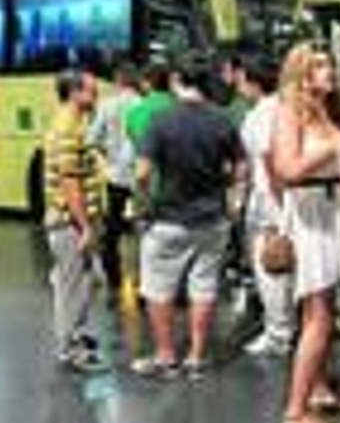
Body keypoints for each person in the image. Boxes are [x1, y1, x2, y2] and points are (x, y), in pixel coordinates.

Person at [272, 42, 340, 423]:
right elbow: (286, 169)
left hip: (333, 210)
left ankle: (319, 388)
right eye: (320, 65)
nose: (330, 71)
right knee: (318, 316)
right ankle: (294, 413)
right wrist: (335, 146)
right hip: (311, 216)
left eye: (330, 63)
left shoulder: (327, 111)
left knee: (325, 311)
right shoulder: (288, 111)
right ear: (302, 74)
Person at [132, 54, 246, 379]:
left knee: (158, 288)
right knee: (204, 286)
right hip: (212, 220)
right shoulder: (222, 120)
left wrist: (142, 204)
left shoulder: (161, 120)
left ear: (175, 81)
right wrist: (234, 202)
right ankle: (196, 357)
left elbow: (142, 173)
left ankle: (166, 355)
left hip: (167, 219)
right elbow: (240, 167)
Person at [41, 69, 111, 375]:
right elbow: (70, 184)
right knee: (74, 284)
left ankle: (75, 333)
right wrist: (84, 226)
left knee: (81, 280)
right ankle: (69, 349)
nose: (97, 95)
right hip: (70, 223)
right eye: (91, 90)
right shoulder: (68, 128)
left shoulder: (71, 123)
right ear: (74, 93)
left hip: (71, 221)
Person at [237, 55, 293, 358]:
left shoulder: (259, 115)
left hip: (269, 201)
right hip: (287, 199)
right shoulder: (288, 107)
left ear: (252, 82)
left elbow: (270, 162)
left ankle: (278, 334)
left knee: (269, 268)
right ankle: (289, 326)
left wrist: (277, 210)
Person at [90, 62, 142, 309]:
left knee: (113, 226)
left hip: (115, 175)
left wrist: (108, 158)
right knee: (144, 227)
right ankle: (145, 279)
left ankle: (113, 277)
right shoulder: (143, 105)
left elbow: (93, 139)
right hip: (141, 175)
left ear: (118, 81)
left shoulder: (107, 105)